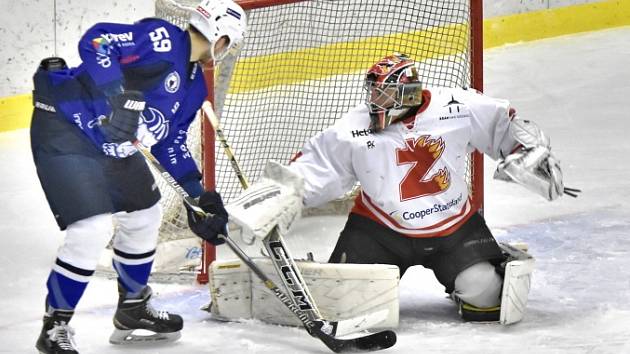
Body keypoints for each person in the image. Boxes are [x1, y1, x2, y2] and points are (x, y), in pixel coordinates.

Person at [217, 53, 578, 324]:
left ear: (409, 93)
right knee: (347, 310)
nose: (377, 102)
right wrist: (281, 196)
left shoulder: (459, 107)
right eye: (374, 93)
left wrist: (528, 152)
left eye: (387, 95)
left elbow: (505, 125)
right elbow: (315, 168)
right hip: (379, 231)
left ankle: (474, 266)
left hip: (454, 227)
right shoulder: (352, 128)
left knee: (488, 298)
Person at [30, 1, 246, 353]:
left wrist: (198, 196)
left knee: (146, 215)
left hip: (113, 147)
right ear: (220, 37)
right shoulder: (162, 39)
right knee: (92, 228)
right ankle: (55, 326)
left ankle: (132, 307)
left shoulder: (194, 89)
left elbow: (170, 143)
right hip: (66, 127)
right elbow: (98, 42)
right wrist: (117, 97)